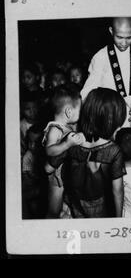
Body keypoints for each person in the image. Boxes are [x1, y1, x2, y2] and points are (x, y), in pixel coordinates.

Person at [81, 17, 131, 146]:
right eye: (119, 37)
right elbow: (88, 93)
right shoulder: (100, 57)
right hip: (112, 121)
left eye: (129, 37)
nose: (124, 43)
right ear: (111, 31)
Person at [48, 87, 127, 218]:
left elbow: (49, 167)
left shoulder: (72, 140)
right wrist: (119, 219)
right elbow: (117, 190)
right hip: (98, 206)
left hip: (73, 200)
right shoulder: (113, 150)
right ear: (112, 120)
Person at [43, 84, 85, 218]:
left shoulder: (68, 126)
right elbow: (49, 151)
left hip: (66, 171)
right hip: (56, 177)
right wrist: (67, 144)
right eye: (79, 109)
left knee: (64, 201)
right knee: (54, 209)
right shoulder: (55, 129)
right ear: (68, 112)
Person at [22, 124, 47, 219]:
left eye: (36, 142)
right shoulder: (27, 156)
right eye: (30, 142)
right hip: (31, 186)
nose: (32, 146)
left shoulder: (45, 153)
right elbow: (27, 176)